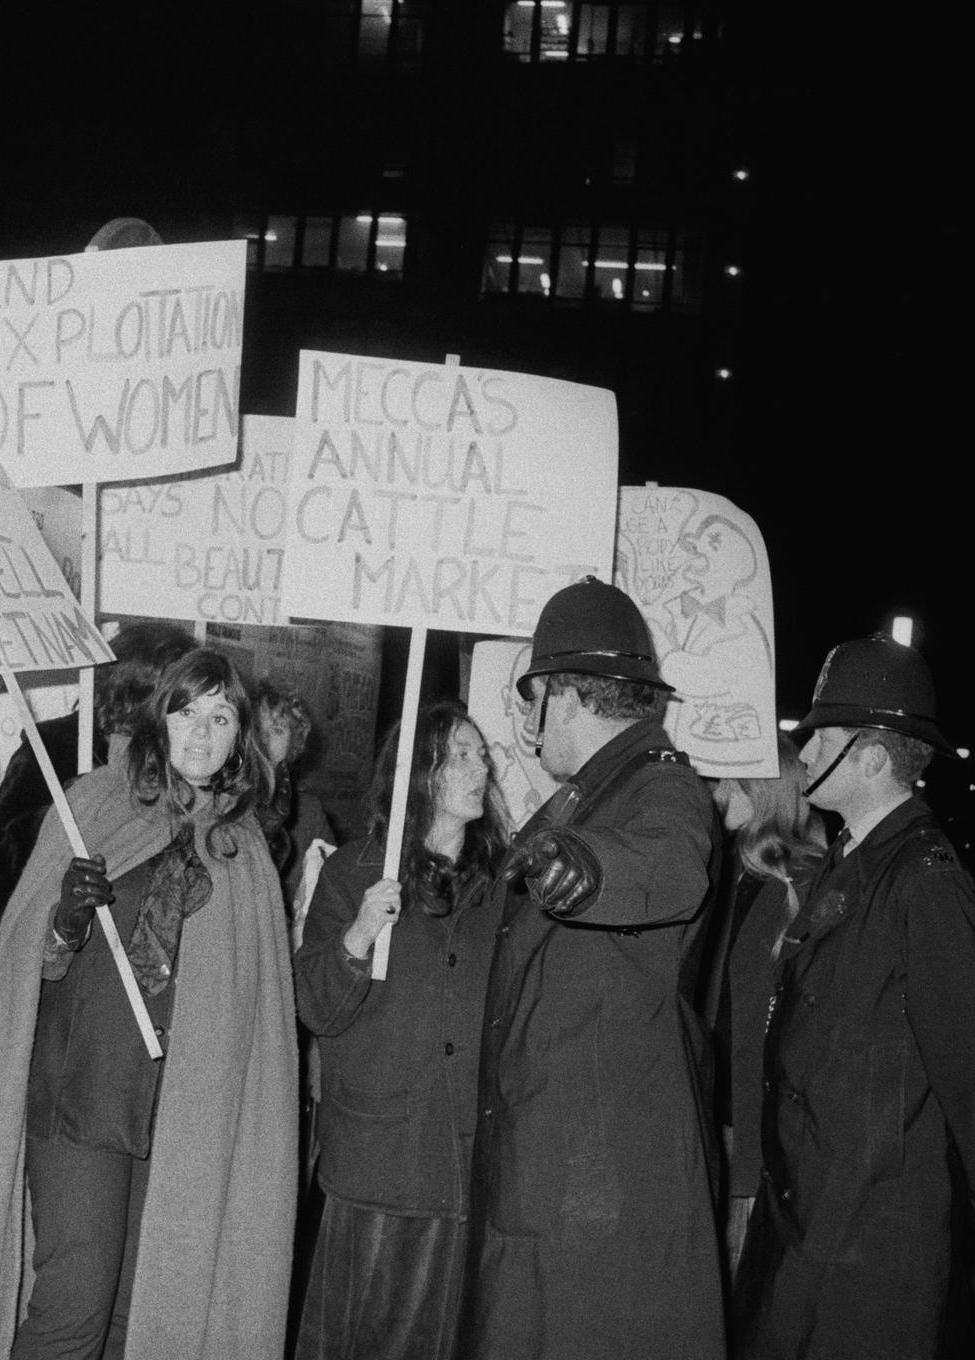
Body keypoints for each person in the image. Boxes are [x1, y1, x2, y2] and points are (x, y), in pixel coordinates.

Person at [0, 648, 298, 1360]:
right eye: (187, 712)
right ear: (160, 717)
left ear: (240, 734)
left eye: (222, 717)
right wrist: (65, 921)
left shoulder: (243, 849)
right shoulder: (96, 804)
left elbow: (255, 1016)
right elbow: (32, 963)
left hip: (182, 1119)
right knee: (72, 1312)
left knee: (133, 1318)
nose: (203, 734)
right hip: (81, 1096)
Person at [735, 635, 975, 1359]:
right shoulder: (858, 857)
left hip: (872, 1224)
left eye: (821, 737)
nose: (802, 753)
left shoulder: (922, 878)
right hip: (819, 1201)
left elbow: (972, 1056)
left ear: (870, 757)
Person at [460, 577, 726, 1359]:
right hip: (561, 1172)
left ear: (561, 697)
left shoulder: (661, 784)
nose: (525, 720)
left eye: (528, 697)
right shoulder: (593, 791)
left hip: (593, 1184)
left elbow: (673, 864)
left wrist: (584, 862)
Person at [293, 697, 507, 1360]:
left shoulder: (502, 885)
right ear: (420, 774)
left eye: (482, 754)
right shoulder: (354, 871)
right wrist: (357, 936)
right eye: (461, 755)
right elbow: (316, 1008)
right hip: (380, 1162)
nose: (481, 768)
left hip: (467, 1160)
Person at [0, 621, 197, 920]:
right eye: (183, 704)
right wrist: (58, 815)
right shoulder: (55, 747)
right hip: (64, 953)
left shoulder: (190, 761)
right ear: (139, 695)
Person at [704, 734, 827, 1275]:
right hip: (709, 1105)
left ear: (764, 790)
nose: (716, 787)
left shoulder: (804, 883)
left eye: (731, 776)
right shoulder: (726, 871)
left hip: (752, 1123)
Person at [255, 679, 334, 909]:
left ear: (293, 743)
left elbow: (331, 892)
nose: (264, 740)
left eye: (277, 729)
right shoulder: (222, 804)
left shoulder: (308, 813)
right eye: (258, 728)